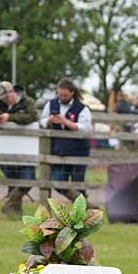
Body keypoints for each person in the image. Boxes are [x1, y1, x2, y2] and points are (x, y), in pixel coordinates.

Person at [0, 81, 39, 218]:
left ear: (13, 91)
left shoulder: (27, 102)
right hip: (5, 150)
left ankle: (8, 205)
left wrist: (10, 117)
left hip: (26, 150)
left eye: (6, 97)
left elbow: (33, 116)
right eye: (2, 98)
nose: (5, 100)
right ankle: (16, 213)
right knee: (13, 183)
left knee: (28, 180)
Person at [39, 77, 92, 205]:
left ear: (72, 92)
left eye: (65, 95)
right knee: (57, 181)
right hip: (58, 151)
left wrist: (65, 121)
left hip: (78, 151)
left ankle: (81, 213)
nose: (62, 97)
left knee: (77, 183)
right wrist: (49, 121)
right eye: (60, 94)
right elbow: (42, 122)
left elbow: (84, 128)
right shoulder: (51, 104)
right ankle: (87, 205)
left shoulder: (82, 108)